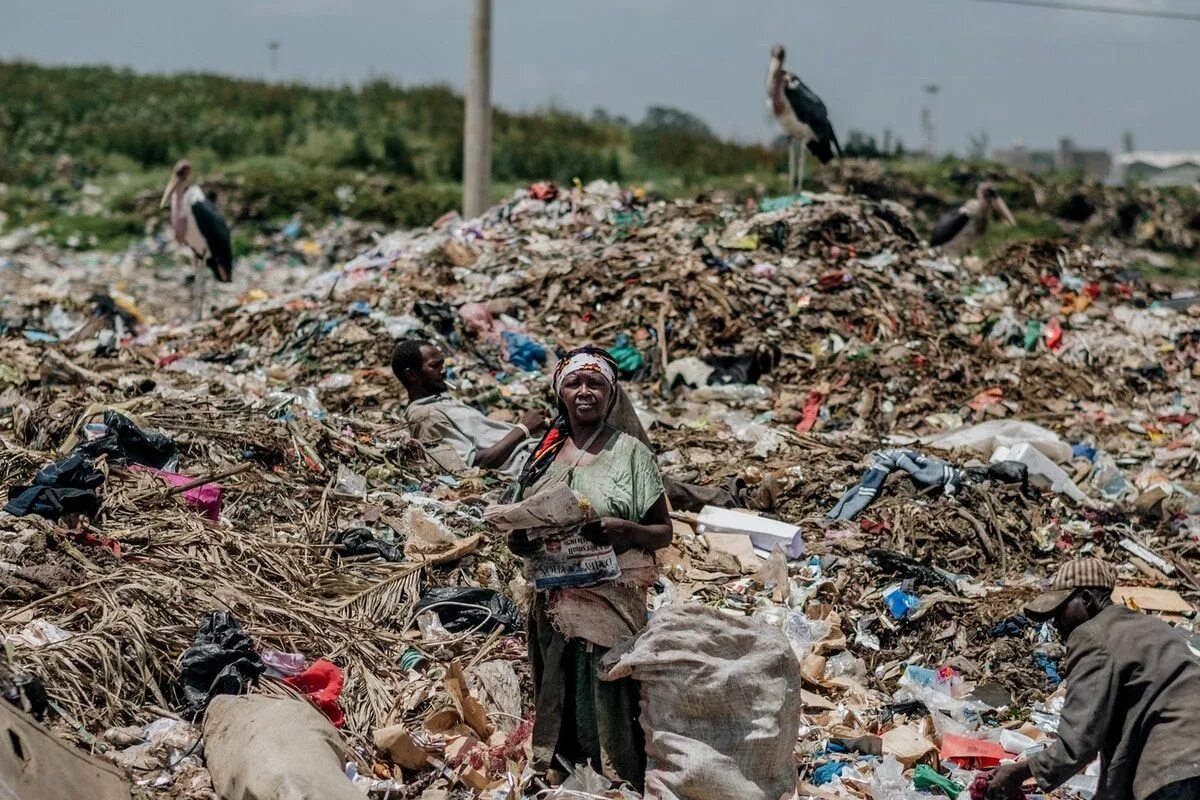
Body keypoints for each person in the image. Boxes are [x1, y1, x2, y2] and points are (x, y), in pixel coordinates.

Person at [506, 346, 672, 791]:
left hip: (609, 598)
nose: (585, 391)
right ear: (561, 393)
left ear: (610, 394)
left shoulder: (632, 453)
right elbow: (517, 526)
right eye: (575, 383)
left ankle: (615, 776)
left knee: (606, 691)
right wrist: (519, 538)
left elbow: (662, 532)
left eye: (595, 383)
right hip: (552, 600)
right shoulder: (542, 455)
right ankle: (561, 769)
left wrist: (623, 528)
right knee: (556, 689)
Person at [985, 557, 1200, 800]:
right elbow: (1119, 749)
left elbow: (1078, 743)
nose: (1055, 622)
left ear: (1086, 599)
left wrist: (1018, 772)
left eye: (1060, 610)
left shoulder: (1090, 635)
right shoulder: (1154, 628)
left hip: (1175, 771)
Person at [391, 339, 547, 478]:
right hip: (529, 465)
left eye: (442, 364)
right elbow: (474, 465)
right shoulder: (425, 415)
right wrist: (523, 429)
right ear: (411, 374)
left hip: (536, 450)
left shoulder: (438, 399)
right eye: (435, 366)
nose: (443, 370)